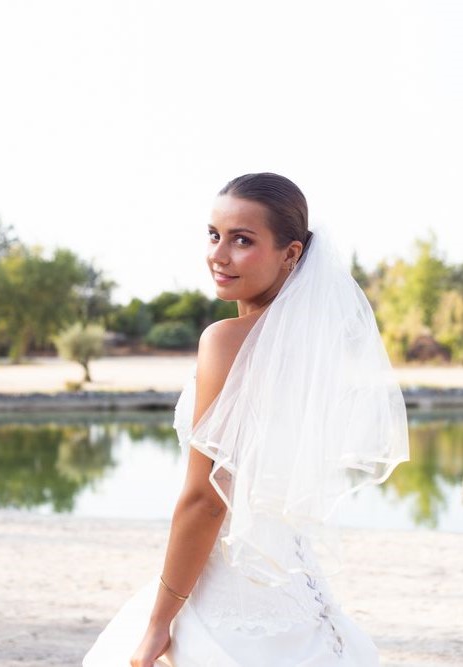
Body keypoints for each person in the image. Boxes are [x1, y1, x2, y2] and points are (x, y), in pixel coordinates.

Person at [82, 172, 410, 667]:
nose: (219, 254)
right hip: (300, 590)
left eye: (242, 240)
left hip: (226, 596)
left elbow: (207, 500)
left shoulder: (225, 340)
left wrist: (158, 624)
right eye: (214, 235)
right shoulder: (311, 353)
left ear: (291, 253)